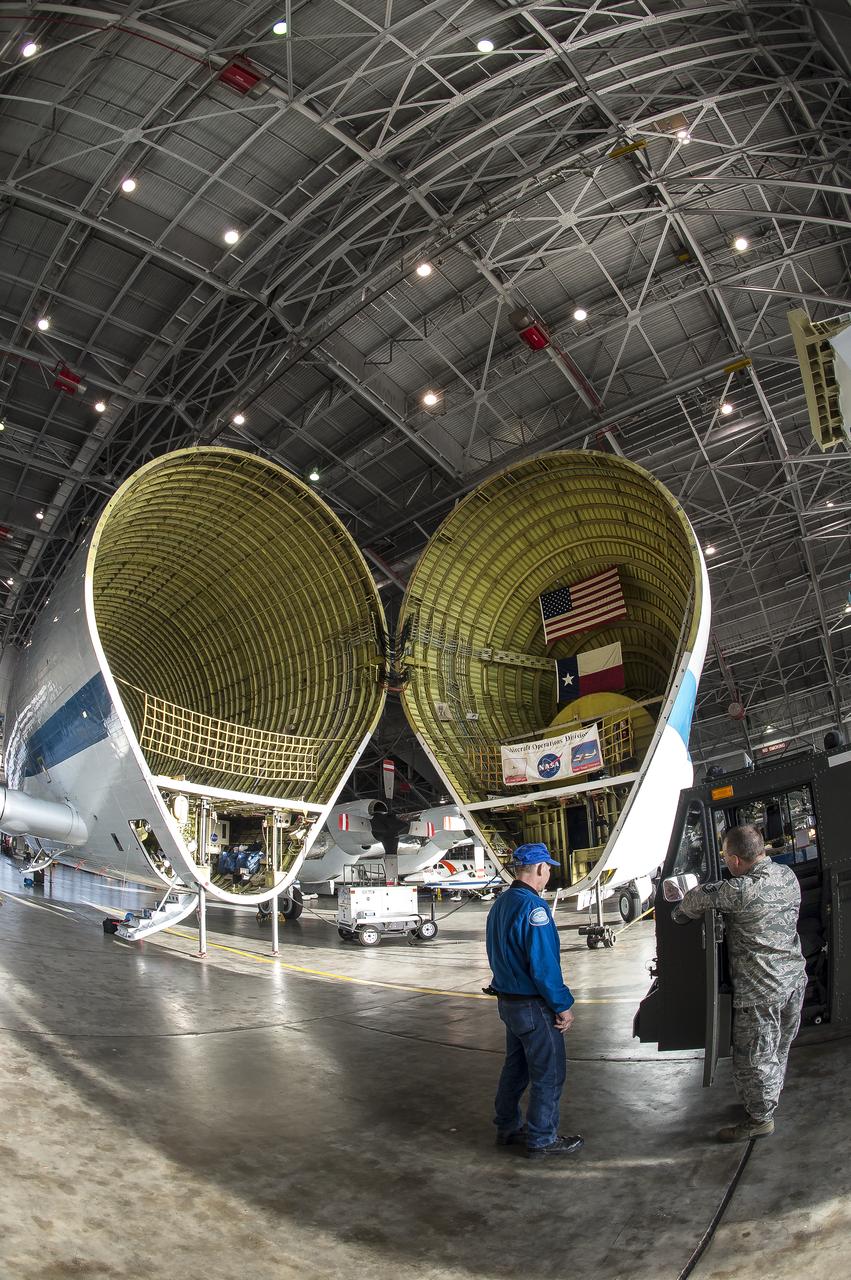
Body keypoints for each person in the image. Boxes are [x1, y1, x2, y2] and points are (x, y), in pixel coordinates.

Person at [672, 823, 806, 1143]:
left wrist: (678, 915)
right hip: (793, 982)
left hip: (761, 993)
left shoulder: (740, 890)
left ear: (734, 860)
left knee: (754, 1059)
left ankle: (760, 1119)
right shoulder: (787, 876)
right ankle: (767, 1100)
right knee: (777, 1049)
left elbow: (694, 900)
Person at [485, 842, 583, 1160]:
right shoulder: (534, 908)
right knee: (549, 1073)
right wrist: (562, 1005)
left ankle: (507, 1127)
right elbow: (543, 966)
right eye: (549, 868)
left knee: (516, 1068)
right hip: (532, 1006)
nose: (550, 873)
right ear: (540, 869)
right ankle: (542, 1138)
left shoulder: (501, 903)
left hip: (509, 1004)